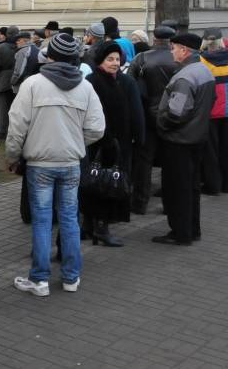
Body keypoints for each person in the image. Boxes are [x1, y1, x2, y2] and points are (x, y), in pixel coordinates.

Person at [6, 33, 105, 297]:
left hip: (40, 163)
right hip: (71, 161)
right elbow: (97, 128)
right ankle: (71, 277)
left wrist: (13, 155)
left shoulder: (32, 84)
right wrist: (75, 142)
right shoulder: (85, 87)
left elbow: (17, 126)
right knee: (70, 219)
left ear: (49, 56)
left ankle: (39, 280)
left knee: (42, 221)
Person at [154, 33, 216, 245]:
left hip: (179, 141)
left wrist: (162, 123)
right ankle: (192, 229)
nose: (171, 51)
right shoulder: (204, 71)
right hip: (197, 137)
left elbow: (177, 113)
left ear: (184, 50)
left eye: (174, 48)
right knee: (191, 187)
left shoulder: (184, 77)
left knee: (177, 188)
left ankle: (180, 232)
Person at [80, 42, 139, 247]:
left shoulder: (122, 81)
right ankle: (97, 229)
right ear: (100, 61)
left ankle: (96, 227)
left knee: (106, 185)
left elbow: (132, 112)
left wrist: (135, 137)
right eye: (110, 59)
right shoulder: (92, 81)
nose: (115, 63)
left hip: (117, 144)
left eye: (117, 59)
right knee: (99, 185)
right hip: (99, 144)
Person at [127, 25, 179, 214]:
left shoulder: (141, 58)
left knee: (144, 161)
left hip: (146, 115)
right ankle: (169, 204)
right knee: (170, 162)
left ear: (154, 38)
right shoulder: (180, 59)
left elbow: (130, 86)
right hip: (172, 116)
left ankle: (140, 203)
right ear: (171, 40)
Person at [199, 28, 228, 195]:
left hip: (210, 111)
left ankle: (213, 185)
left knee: (211, 150)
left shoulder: (200, 60)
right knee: (227, 148)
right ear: (221, 40)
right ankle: (227, 183)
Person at [0, 25, 19, 137]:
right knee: (16, 107)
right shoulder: (20, 46)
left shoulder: (1, 48)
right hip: (18, 80)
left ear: (7, 35)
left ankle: (3, 130)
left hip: (3, 79)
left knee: (3, 107)